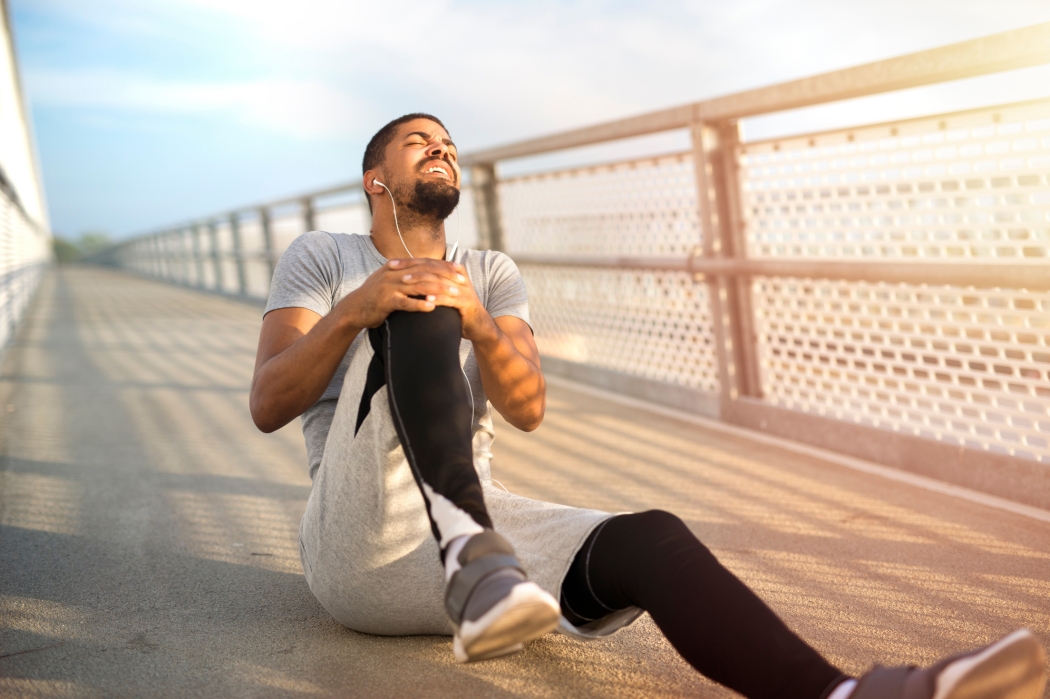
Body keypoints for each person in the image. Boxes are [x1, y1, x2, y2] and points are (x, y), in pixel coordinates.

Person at [250, 113, 1047, 699]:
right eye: (421, 142)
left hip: (489, 543)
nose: (443, 150)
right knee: (417, 294)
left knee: (651, 538)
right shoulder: (324, 255)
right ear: (376, 179)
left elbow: (526, 408)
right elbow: (268, 400)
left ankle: (838, 692)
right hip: (359, 537)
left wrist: (483, 325)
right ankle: (470, 550)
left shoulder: (491, 270)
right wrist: (358, 307)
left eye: (451, 144)